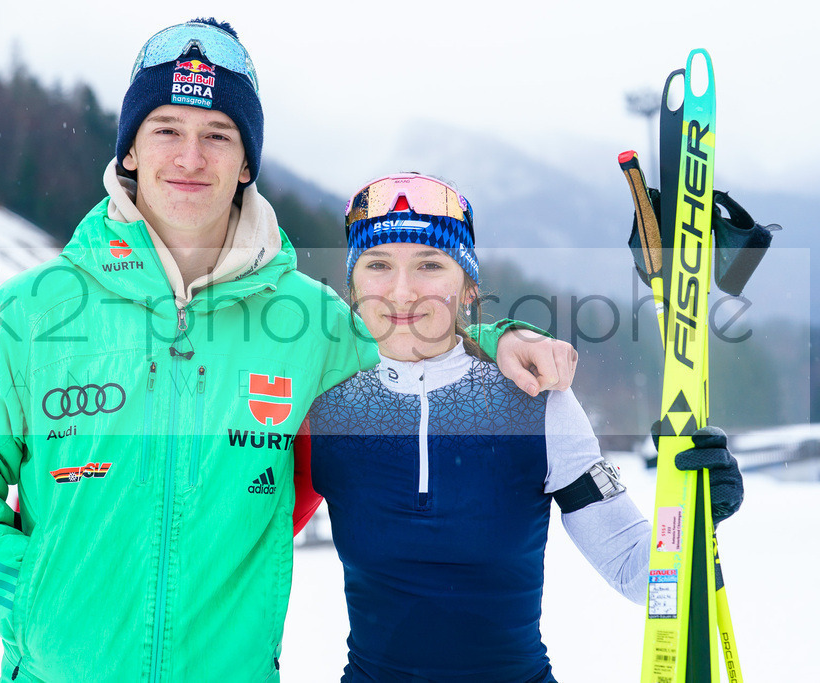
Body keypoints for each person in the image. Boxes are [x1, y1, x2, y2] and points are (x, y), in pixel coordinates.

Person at [0, 21, 576, 682]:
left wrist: (498, 335)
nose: (191, 157)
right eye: (167, 129)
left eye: (216, 135)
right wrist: (36, 610)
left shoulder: (309, 322)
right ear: (131, 151)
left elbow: (416, 335)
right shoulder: (29, 314)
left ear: (246, 160)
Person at [302, 173, 744, 683]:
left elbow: (635, 570)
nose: (403, 291)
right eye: (378, 265)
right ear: (352, 284)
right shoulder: (322, 404)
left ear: (468, 287)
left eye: (430, 264)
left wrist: (694, 515)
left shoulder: (535, 397)